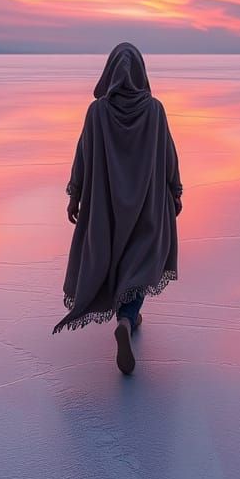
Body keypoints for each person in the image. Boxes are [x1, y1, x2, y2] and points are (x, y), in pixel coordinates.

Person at [52, 42, 183, 375]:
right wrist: (176, 191)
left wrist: (75, 194)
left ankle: (128, 317)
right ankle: (127, 318)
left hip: (107, 206)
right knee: (140, 260)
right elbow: (168, 154)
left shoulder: (97, 112)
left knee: (115, 258)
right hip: (147, 204)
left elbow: (82, 155)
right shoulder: (154, 111)